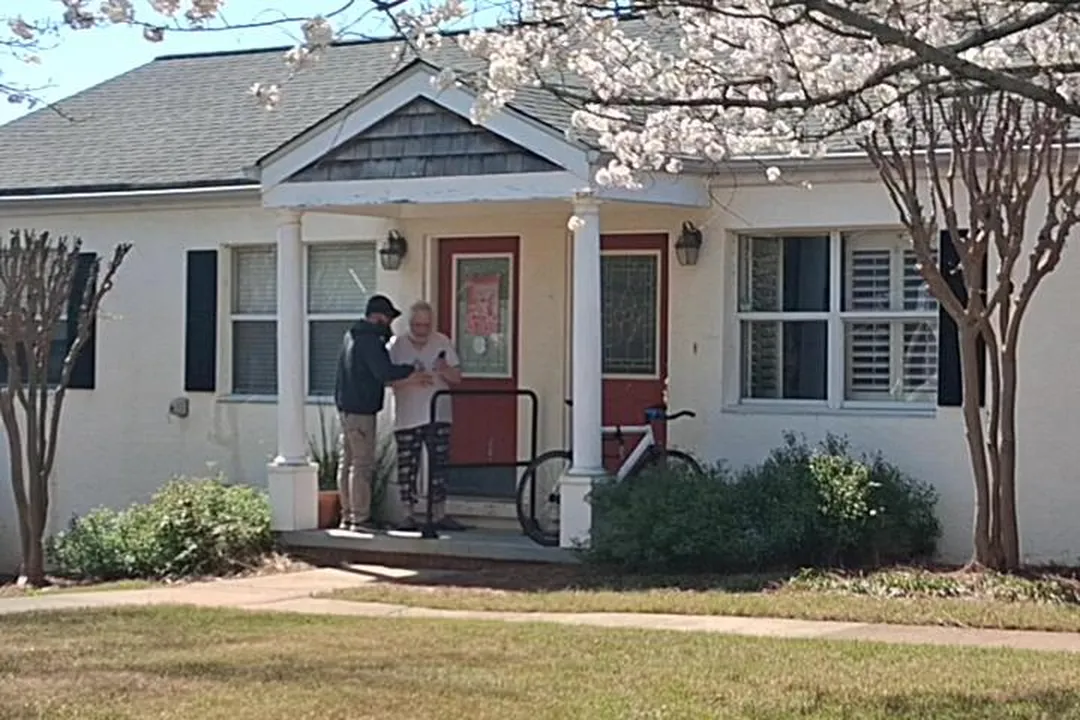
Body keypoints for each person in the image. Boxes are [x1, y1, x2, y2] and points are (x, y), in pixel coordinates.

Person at [334, 294, 427, 533]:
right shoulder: (370, 340)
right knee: (362, 465)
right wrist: (410, 370)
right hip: (362, 410)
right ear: (377, 317)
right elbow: (383, 371)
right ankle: (361, 519)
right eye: (387, 319)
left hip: (346, 408)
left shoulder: (352, 335)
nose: (389, 324)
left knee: (347, 463)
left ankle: (347, 515)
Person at [388, 300, 466, 531]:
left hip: (438, 414)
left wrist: (444, 370)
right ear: (409, 323)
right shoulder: (397, 345)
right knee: (407, 466)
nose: (421, 331)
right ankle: (408, 514)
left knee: (439, 465)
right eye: (417, 325)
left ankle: (439, 513)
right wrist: (411, 379)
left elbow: (458, 377)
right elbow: (386, 379)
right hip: (407, 416)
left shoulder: (442, 342)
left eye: (426, 325)